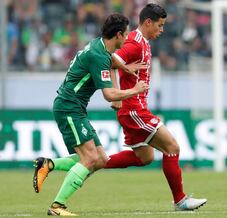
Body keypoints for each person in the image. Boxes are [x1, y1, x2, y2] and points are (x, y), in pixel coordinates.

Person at [33, 13, 149, 216]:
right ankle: (57, 206)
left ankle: (48, 164)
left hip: (74, 107)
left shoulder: (99, 45)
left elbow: (110, 60)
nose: (128, 37)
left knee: (101, 159)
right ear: (119, 35)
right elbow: (109, 95)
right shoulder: (98, 56)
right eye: (127, 34)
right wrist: (135, 90)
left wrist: (124, 67)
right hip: (69, 107)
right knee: (89, 158)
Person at [108, 3, 207, 211]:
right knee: (172, 147)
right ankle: (180, 200)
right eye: (160, 26)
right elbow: (111, 60)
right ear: (148, 22)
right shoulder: (135, 42)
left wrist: (119, 91)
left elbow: (116, 63)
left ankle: (91, 162)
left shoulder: (141, 41)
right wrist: (116, 96)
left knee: (144, 157)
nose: (161, 30)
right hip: (133, 108)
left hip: (134, 107)